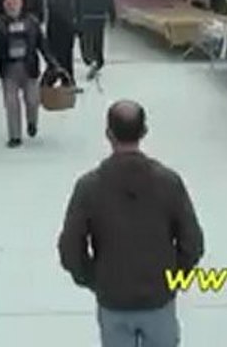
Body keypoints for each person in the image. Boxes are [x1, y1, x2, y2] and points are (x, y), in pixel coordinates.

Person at [58, 100, 204, 347]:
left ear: (108, 134)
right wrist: (174, 278)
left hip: (113, 298)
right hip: (158, 297)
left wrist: (94, 279)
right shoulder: (168, 182)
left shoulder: (89, 187)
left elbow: (70, 248)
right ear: (144, 132)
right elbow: (193, 242)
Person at [0, 0, 54, 147]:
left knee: (32, 100)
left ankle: (32, 121)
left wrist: (51, 62)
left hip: (28, 66)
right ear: (4, 6)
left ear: (21, 4)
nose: (12, 7)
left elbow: (42, 44)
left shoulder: (32, 22)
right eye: (8, 4)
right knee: (11, 103)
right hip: (8, 68)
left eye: (14, 3)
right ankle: (15, 136)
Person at [76, 0, 116, 80]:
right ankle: (98, 60)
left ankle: (89, 59)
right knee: (98, 39)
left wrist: (75, 15)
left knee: (86, 40)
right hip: (100, 15)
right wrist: (112, 14)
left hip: (85, 14)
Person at [46, 0, 77, 81]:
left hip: (54, 28)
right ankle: (68, 81)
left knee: (53, 56)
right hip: (68, 28)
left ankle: (49, 81)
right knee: (67, 56)